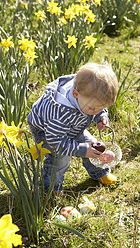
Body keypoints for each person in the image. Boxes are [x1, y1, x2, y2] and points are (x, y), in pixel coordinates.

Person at [27, 62, 118, 193]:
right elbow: (56, 141)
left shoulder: (87, 94)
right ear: (75, 94)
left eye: (101, 108)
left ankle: (99, 173)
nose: (95, 111)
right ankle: (52, 187)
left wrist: (101, 116)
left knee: (94, 146)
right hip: (48, 132)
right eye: (93, 108)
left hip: (73, 123)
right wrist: (82, 150)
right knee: (60, 158)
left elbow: (97, 107)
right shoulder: (59, 113)